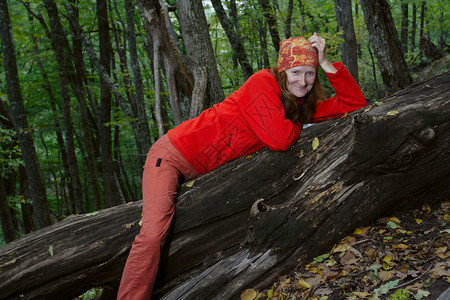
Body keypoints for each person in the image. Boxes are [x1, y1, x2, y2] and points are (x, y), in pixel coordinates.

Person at [117, 33, 366, 299]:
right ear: (282, 71)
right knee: (153, 235)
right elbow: (281, 140)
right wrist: (297, 120)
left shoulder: (297, 104)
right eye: (295, 72)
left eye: (310, 74)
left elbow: (354, 104)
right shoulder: (262, 83)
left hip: (201, 171)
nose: (302, 82)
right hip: (171, 156)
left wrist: (327, 63)